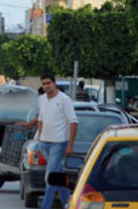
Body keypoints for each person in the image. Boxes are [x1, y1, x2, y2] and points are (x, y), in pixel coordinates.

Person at [37, 72, 78, 209]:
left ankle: (45, 206)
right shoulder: (42, 99)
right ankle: (68, 204)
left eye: (48, 83)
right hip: (45, 143)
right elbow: (41, 120)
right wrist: (40, 138)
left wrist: (70, 145)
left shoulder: (64, 99)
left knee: (50, 177)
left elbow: (73, 122)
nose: (46, 86)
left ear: (54, 83)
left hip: (59, 143)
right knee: (58, 176)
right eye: (43, 84)